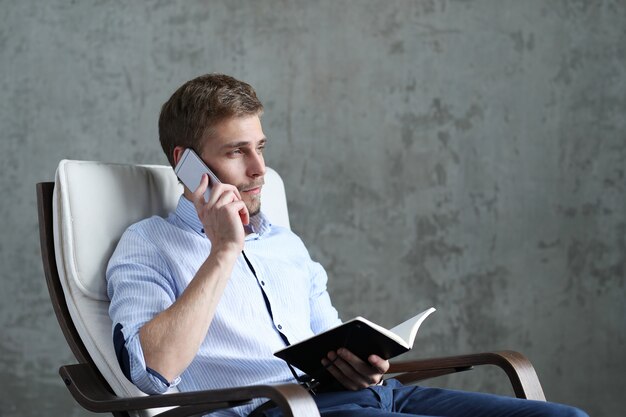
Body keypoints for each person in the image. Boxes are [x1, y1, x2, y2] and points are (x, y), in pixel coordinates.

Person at [106, 73, 587, 417]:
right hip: (277, 411)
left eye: (261, 147)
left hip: (372, 397)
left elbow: (326, 338)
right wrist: (223, 250)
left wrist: (361, 366)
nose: (259, 170)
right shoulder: (148, 244)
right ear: (186, 162)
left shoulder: (285, 243)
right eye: (236, 152)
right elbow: (151, 372)